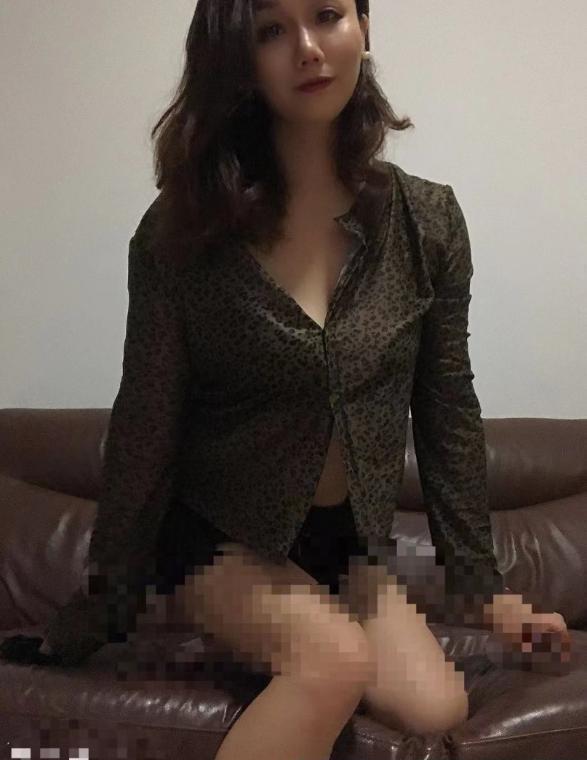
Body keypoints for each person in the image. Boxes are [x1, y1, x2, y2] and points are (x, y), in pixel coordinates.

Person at [1, 1, 570, 758]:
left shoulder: (426, 223)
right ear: (237, 56)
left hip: (342, 546)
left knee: (435, 707)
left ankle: (273, 635)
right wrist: (98, 608)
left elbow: (448, 414)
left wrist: (485, 591)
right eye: (271, 29)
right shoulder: (180, 234)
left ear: (363, 26)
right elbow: (144, 422)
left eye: (327, 14)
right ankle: (253, 625)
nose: (307, 47)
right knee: (331, 663)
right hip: (216, 535)